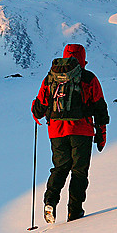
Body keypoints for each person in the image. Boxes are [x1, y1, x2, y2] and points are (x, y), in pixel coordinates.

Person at [31, 44, 108, 223]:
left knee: (60, 168)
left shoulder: (51, 78)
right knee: (79, 171)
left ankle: (50, 201)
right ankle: (74, 212)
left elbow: (39, 107)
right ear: (83, 58)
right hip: (82, 130)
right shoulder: (89, 78)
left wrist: (36, 113)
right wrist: (101, 134)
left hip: (57, 131)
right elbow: (100, 108)